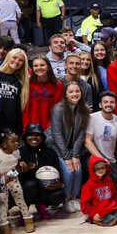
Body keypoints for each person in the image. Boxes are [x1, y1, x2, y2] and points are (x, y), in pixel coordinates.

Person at [48, 82, 89, 213]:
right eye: (71, 92)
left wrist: (75, 156)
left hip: (73, 147)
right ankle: (65, 200)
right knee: (68, 173)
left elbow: (81, 134)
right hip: (57, 146)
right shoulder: (58, 109)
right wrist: (67, 157)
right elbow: (57, 134)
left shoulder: (84, 109)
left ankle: (74, 198)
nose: (74, 94)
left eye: (77, 91)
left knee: (77, 170)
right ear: (65, 95)